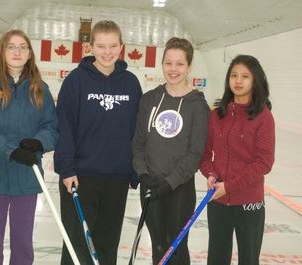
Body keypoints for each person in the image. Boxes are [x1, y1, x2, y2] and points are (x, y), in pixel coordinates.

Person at [0, 29, 58, 265]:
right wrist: (10, 150)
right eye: (11, 46)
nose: (17, 51)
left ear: (29, 54)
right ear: (2, 51)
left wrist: (39, 142)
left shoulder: (39, 89)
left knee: (23, 243)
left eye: (22, 47)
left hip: (26, 176)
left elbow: (51, 126)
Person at [53, 20, 142, 264]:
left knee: (107, 244)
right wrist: (66, 169)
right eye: (101, 46)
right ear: (90, 47)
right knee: (77, 245)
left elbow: (137, 131)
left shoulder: (131, 84)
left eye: (113, 45)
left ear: (121, 47)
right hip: (80, 177)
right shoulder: (75, 81)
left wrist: (134, 171)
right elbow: (65, 128)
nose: (107, 52)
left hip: (116, 178)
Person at [132, 37, 210, 264]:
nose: (173, 69)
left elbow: (196, 153)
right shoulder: (150, 100)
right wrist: (143, 174)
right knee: (158, 244)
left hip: (179, 190)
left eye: (179, 64)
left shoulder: (197, 106)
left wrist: (171, 182)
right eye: (168, 63)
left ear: (189, 67)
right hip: (151, 186)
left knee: (175, 248)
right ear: (162, 63)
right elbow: (138, 143)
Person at [199, 54, 275, 265]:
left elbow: (264, 162)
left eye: (245, 76)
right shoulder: (217, 115)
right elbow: (205, 156)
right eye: (234, 75)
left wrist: (230, 186)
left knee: (249, 259)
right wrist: (211, 173)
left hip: (249, 202)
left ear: (255, 80)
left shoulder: (263, 116)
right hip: (218, 200)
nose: (238, 81)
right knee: (216, 257)